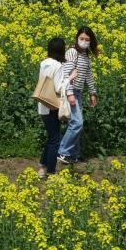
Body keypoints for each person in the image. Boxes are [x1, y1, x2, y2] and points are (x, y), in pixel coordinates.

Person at [37, 38, 78, 179]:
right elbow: (58, 88)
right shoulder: (58, 65)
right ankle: (51, 172)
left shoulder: (43, 63)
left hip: (43, 105)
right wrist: (70, 78)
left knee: (51, 138)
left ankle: (43, 166)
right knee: (55, 140)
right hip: (52, 106)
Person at [57, 26, 99, 164]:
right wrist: (70, 94)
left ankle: (73, 155)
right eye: (82, 38)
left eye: (87, 39)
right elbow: (66, 75)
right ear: (76, 39)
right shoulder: (72, 53)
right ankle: (63, 152)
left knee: (75, 124)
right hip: (71, 91)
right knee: (77, 123)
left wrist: (92, 93)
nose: (84, 41)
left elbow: (88, 76)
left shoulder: (85, 56)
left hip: (78, 92)